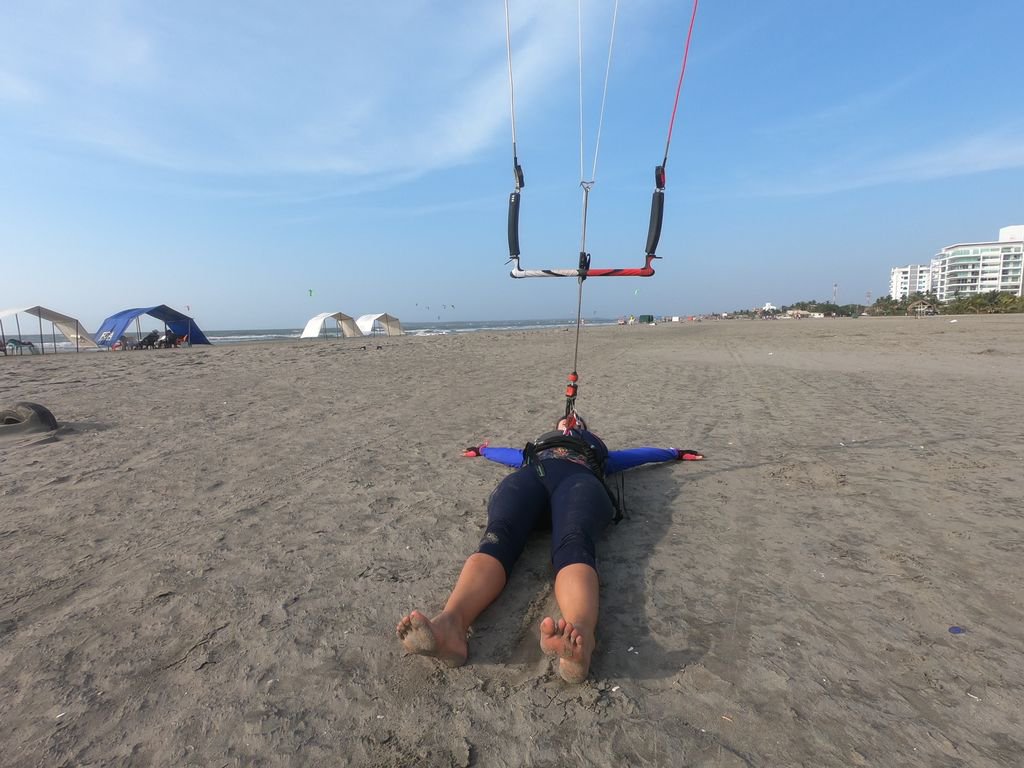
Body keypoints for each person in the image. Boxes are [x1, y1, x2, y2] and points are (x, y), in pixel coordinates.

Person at [396, 414, 703, 683]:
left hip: (579, 480)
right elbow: (509, 456)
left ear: (582, 427)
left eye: (577, 421)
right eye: (566, 420)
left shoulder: (599, 454)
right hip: (532, 477)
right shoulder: (534, 450)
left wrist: (673, 452)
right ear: (556, 426)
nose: (570, 421)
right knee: (497, 535)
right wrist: (483, 450)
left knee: (574, 540)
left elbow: (637, 456)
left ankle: (580, 638)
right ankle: (450, 626)